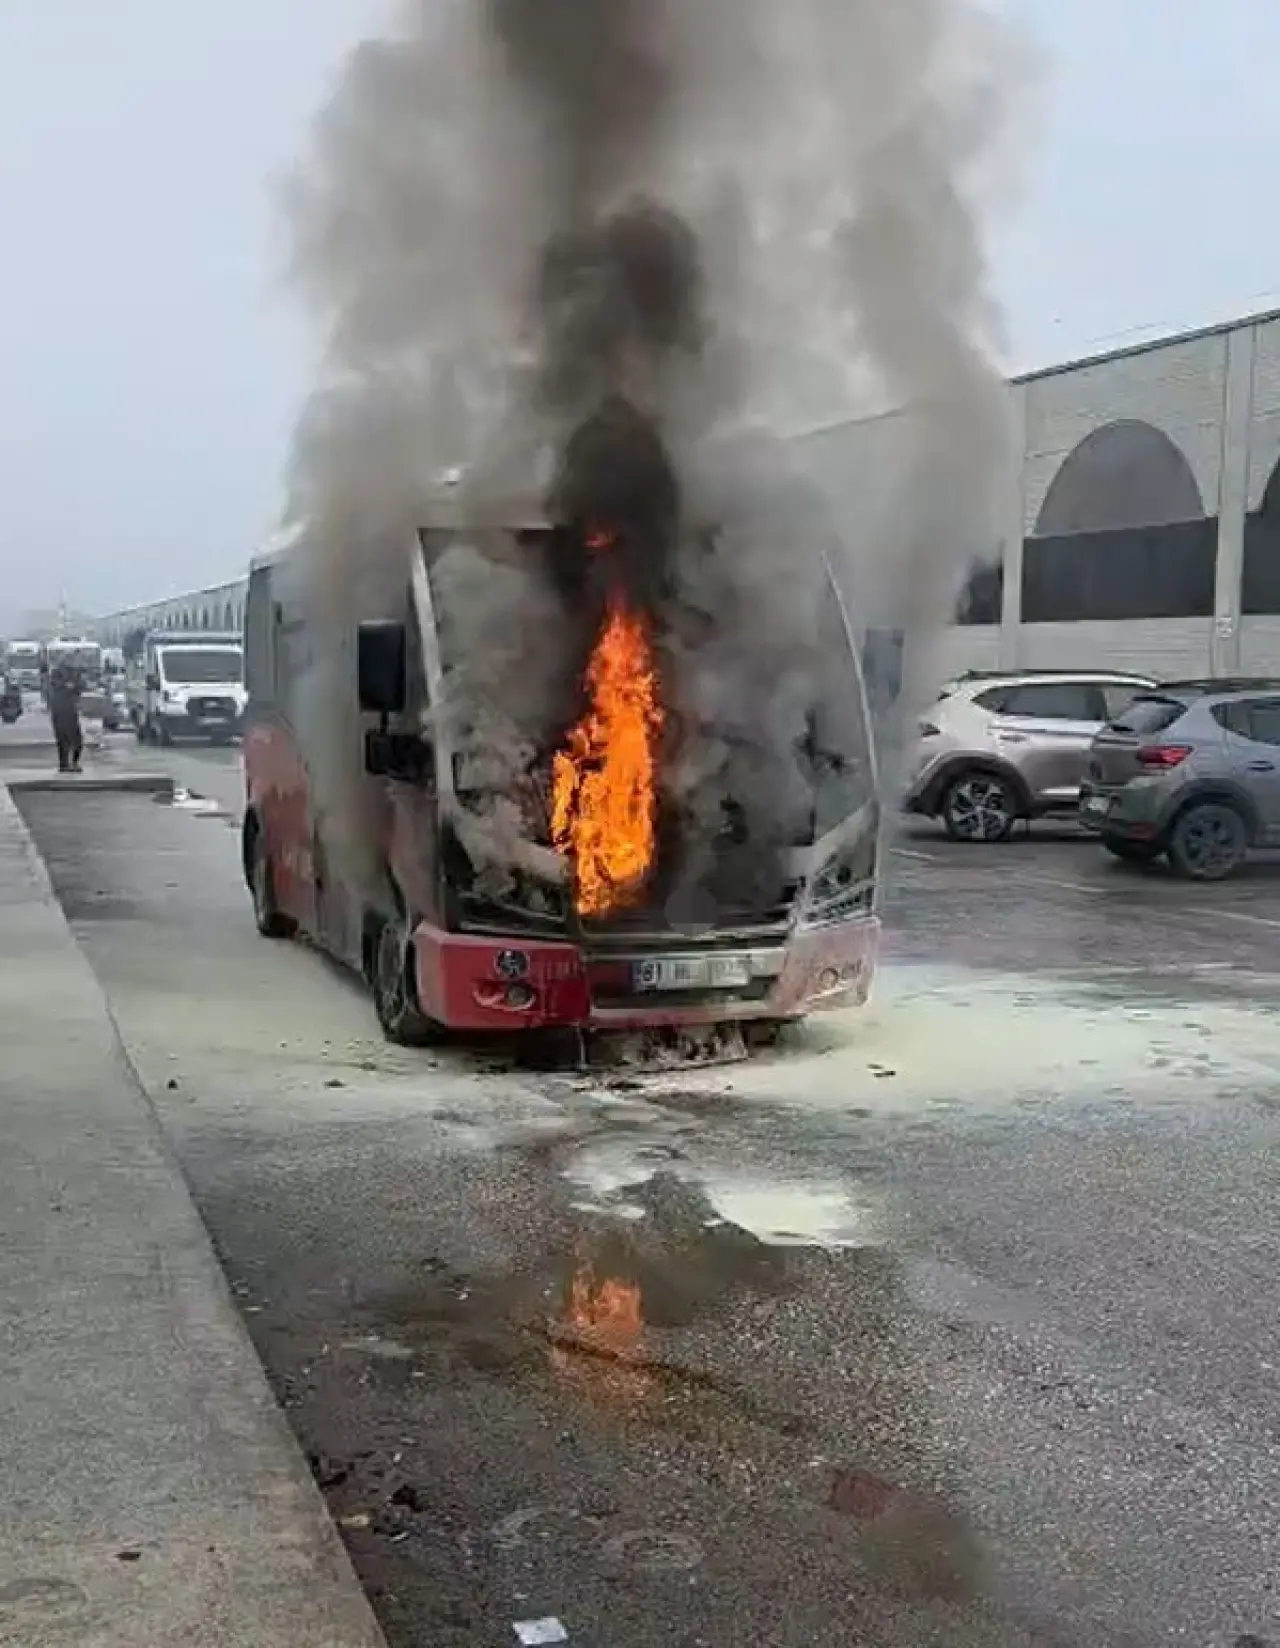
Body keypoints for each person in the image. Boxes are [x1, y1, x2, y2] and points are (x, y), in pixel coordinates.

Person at [47, 662, 83, 773]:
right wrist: (66, 685)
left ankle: (68, 764)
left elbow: (80, 686)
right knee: (66, 740)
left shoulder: (71, 679)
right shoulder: (57, 684)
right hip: (63, 712)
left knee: (70, 740)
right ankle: (66, 764)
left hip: (66, 712)